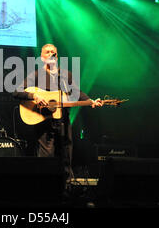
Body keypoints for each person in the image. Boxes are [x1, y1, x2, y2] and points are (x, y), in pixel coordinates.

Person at [13, 44, 103, 182]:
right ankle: (44, 185)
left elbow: (76, 92)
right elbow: (16, 91)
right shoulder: (36, 75)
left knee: (66, 154)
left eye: (53, 52)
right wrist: (34, 96)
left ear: (57, 56)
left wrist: (91, 101)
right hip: (44, 121)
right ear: (42, 58)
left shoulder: (65, 75)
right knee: (46, 156)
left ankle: (66, 188)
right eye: (47, 52)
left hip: (63, 120)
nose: (51, 54)